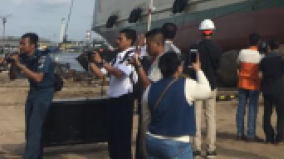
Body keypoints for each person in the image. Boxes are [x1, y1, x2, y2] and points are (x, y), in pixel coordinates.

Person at [142, 51, 212, 158]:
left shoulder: (149, 89)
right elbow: (207, 91)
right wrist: (198, 69)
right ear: (179, 68)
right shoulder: (187, 85)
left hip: (153, 141)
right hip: (177, 143)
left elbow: (145, 122)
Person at [90, 28, 139, 159]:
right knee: (113, 136)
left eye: (120, 38)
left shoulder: (132, 55)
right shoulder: (117, 56)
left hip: (124, 98)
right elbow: (102, 73)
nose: (117, 41)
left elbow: (118, 73)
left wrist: (101, 62)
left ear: (129, 40)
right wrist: (91, 62)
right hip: (113, 99)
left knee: (122, 137)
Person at [7, 32, 55, 159]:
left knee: (35, 127)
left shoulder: (43, 57)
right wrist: (13, 64)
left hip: (44, 91)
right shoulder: (23, 57)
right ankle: (36, 155)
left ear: (33, 45)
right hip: (33, 91)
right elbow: (12, 77)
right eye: (20, 43)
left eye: (24, 43)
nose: (21, 46)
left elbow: (39, 78)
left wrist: (21, 66)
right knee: (30, 127)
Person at [190, 19, 222, 157]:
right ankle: (211, 149)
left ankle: (196, 149)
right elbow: (217, 66)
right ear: (212, 32)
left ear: (201, 32)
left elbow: (191, 67)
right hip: (211, 86)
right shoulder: (217, 48)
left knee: (196, 117)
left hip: (197, 86)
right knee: (211, 117)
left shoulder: (193, 48)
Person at [134, 28, 165, 159]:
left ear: (158, 44)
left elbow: (147, 84)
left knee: (147, 140)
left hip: (154, 106)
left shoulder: (160, 62)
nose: (146, 48)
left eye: (148, 44)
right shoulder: (155, 60)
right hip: (152, 105)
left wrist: (138, 66)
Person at [237, 33, 263, 141]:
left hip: (242, 83)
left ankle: (239, 133)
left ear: (248, 42)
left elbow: (238, 64)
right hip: (254, 85)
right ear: (258, 43)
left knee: (241, 108)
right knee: (252, 109)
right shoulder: (260, 56)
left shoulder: (242, 52)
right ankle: (251, 134)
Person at [260, 39, 284, 145]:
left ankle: (269, 136)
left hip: (267, 90)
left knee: (267, 113)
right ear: (279, 47)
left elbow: (260, 75)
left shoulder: (264, 60)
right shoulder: (282, 59)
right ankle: (279, 137)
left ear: (269, 47)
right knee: (281, 114)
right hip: (278, 89)